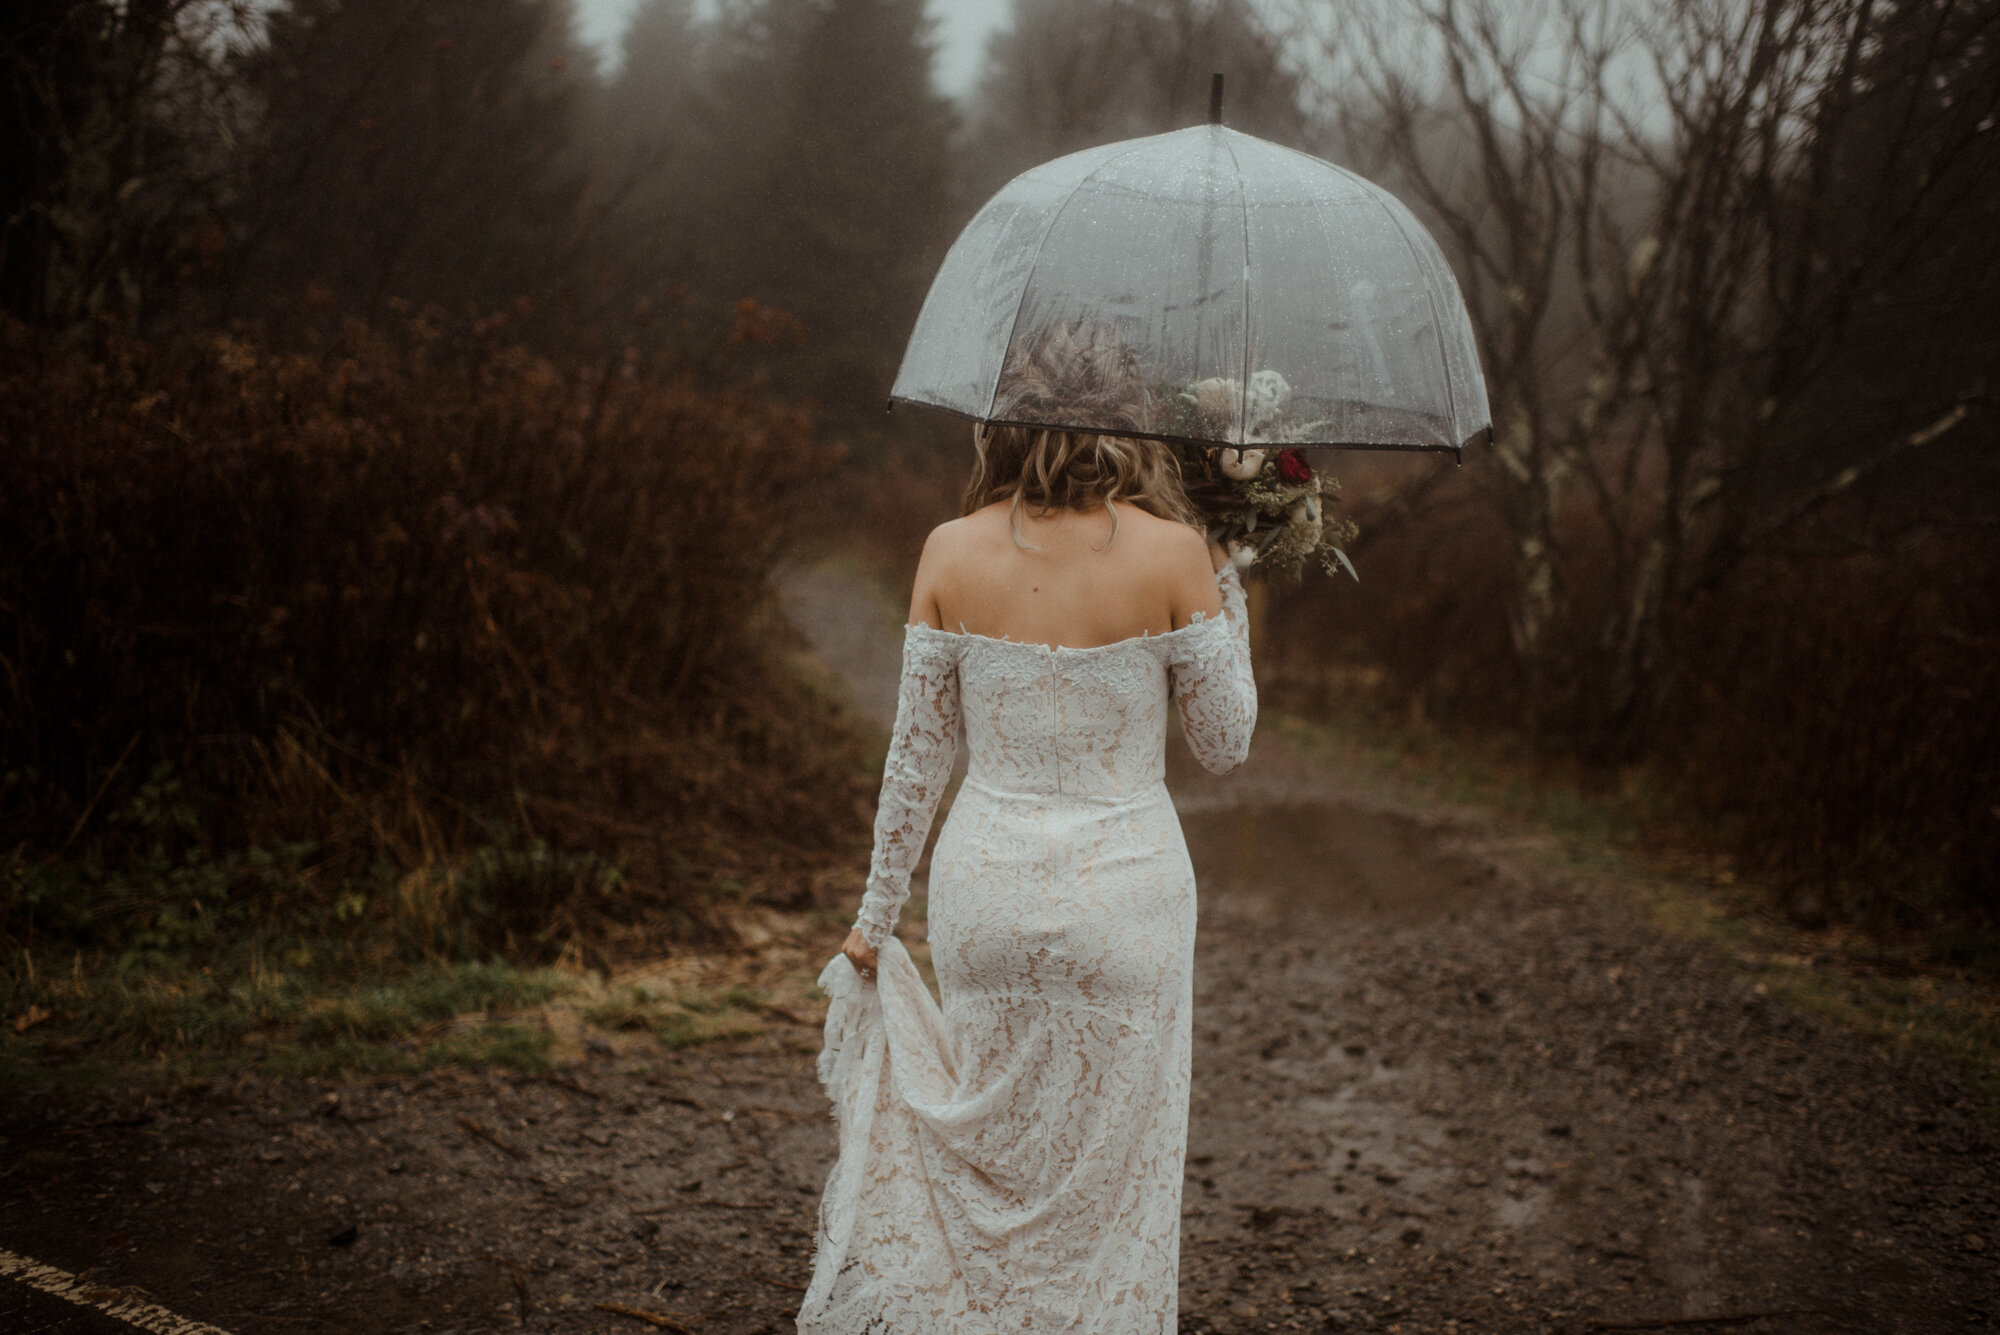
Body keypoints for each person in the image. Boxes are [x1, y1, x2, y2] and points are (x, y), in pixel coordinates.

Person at [797, 319, 1257, 1335]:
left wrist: (873, 920)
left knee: (995, 1158)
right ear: (1129, 424)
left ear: (1000, 423)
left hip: (987, 896)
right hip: (1127, 899)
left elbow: (915, 763)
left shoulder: (947, 552)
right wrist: (1227, 578)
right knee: (1113, 1178)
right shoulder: (1176, 553)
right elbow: (1224, 742)